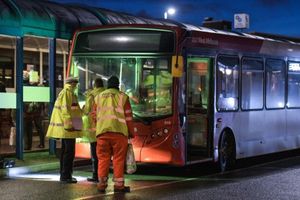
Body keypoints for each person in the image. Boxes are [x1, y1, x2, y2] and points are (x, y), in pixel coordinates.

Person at [95, 76, 135, 193]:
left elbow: (93, 115)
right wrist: (131, 132)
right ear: (117, 85)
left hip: (102, 133)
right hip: (119, 134)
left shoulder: (98, 97)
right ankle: (118, 186)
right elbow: (128, 117)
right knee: (118, 159)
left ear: (108, 85)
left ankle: (101, 185)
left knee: (103, 159)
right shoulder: (123, 97)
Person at [46, 77, 82, 184]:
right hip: (68, 129)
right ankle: (66, 176)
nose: (76, 86)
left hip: (70, 128)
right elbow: (65, 110)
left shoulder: (68, 93)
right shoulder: (68, 93)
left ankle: (65, 174)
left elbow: (75, 111)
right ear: (72, 84)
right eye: (76, 84)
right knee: (69, 152)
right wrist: (69, 126)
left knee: (65, 152)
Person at [82, 78, 105, 183]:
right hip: (105, 128)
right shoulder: (107, 94)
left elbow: (86, 110)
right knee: (104, 154)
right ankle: (103, 176)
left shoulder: (91, 96)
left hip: (94, 129)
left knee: (95, 154)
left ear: (94, 85)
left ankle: (95, 175)